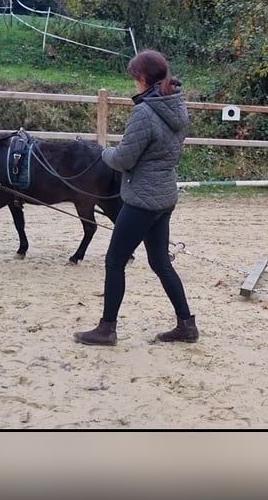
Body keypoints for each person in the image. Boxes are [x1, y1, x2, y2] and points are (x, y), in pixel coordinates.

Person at [74, 49, 198, 346]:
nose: (134, 84)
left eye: (134, 79)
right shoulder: (176, 105)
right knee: (160, 262)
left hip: (142, 199)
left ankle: (107, 329)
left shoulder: (144, 112)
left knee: (115, 261)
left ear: (142, 78)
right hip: (164, 195)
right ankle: (186, 324)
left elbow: (125, 159)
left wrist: (104, 152)